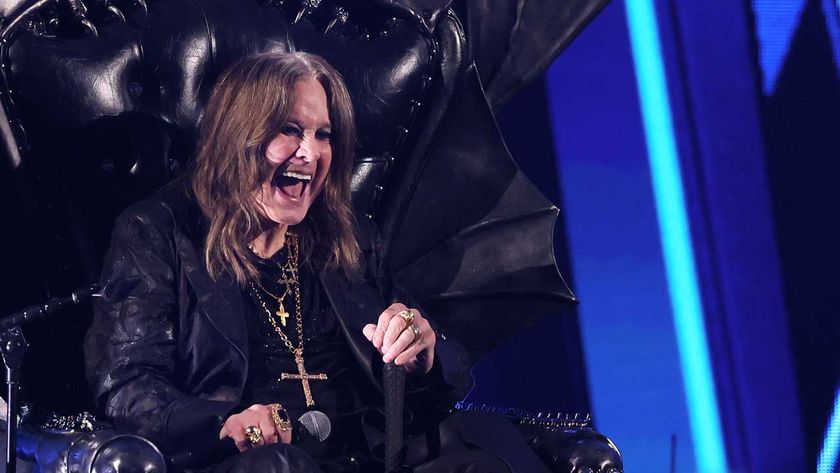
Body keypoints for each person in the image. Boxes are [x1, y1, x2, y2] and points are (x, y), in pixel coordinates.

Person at [84, 51, 549, 473]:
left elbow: (433, 386)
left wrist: (423, 359)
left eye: (323, 134)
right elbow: (126, 385)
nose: (309, 152)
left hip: (366, 459)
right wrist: (226, 422)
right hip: (247, 464)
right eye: (289, 130)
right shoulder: (158, 232)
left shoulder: (349, 239)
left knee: (488, 453)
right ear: (238, 136)